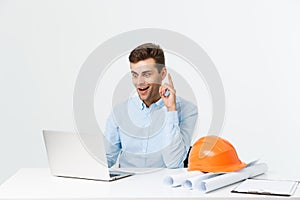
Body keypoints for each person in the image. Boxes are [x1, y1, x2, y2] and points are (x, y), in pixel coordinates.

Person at [104, 43, 198, 168]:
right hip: (126, 184)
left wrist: (170, 110)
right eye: (135, 75)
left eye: (147, 74)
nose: (139, 82)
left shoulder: (188, 110)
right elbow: (106, 159)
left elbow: (174, 162)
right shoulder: (119, 112)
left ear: (162, 73)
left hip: (164, 185)